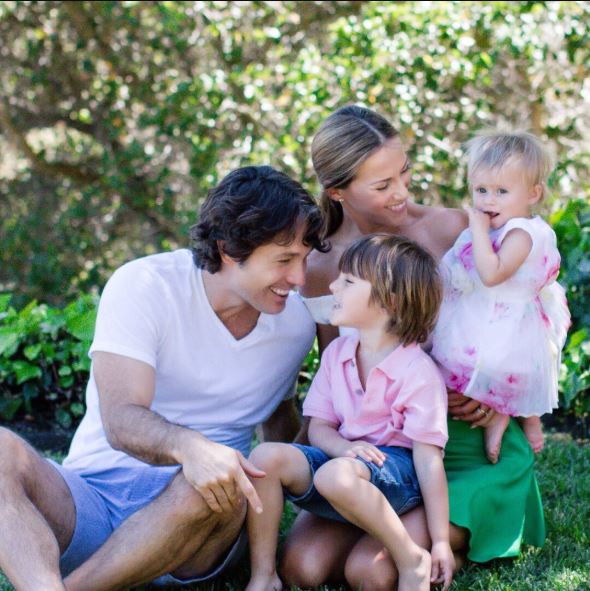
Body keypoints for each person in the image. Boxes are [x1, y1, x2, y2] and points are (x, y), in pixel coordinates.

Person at [0, 165, 328, 591]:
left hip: (198, 525)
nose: (299, 278)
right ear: (229, 249)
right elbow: (120, 420)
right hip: (90, 498)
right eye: (284, 260)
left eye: (304, 260)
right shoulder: (147, 285)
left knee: (224, 478)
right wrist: (189, 446)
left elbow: (280, 428)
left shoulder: (295, 324)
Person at [281, 105, 545, 591]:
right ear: (337, 192)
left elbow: (527, 312)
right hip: (383, 452)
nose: (401, 193)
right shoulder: (323, 267)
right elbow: (335, 375)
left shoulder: (449, 230)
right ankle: (388, 518)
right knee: (303, 566)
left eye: (403, 173)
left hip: (465, 445)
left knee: (370, 571)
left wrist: (502, 395)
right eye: (382, 186)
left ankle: (445, 541)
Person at [246, 234, 453, 591]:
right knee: (264, 457)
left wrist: (440, 542)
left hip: (396, 475)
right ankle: (264, 577)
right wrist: (342, 449)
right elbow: (321, 427)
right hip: (345, 463)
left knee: (334, 477)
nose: (332, 285)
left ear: (390, 300)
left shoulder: (417, 371)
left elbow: (428, 462)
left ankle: (411, 559)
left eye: (348, 281)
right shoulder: (338, 353)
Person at [431, 129, 571, 464]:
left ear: (533, 194)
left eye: (501, 191)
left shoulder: (522, 233)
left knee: (500, 373)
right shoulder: (492, 227)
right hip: (480, 314)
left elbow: (492, 274)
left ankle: (522, 421)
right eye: (481, 190)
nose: (488, 200)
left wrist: (477, 232)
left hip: (507, 324)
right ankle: (490, 418)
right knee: (451, 363)